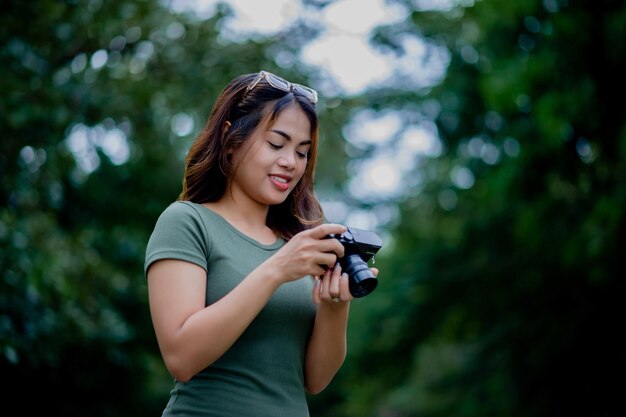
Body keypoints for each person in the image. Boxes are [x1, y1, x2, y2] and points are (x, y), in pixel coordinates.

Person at [144, 70, 379, 417]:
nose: (290, 163)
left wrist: (334, 306)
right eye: (276, 144)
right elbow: (181, 357)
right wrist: (277, 270)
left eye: (302, 152)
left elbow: (314, 380)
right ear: (231, 138)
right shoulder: (187, 222)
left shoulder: (297, 244)